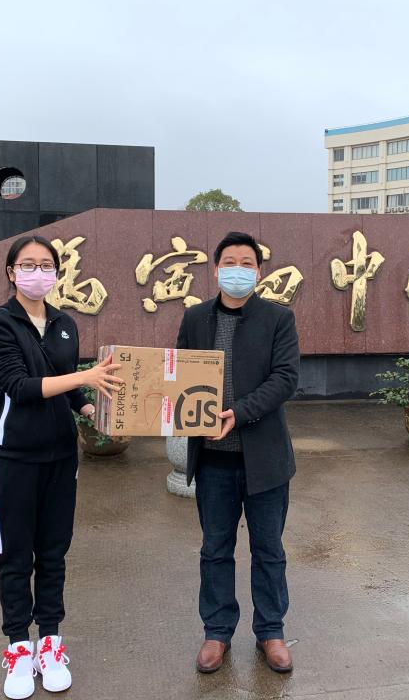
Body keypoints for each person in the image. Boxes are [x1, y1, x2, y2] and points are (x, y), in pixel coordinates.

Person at [0, 235, 123, 700]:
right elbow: (20, 387)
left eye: (45, 265)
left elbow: (68, 386)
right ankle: (18, 647)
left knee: (54, 554)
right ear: (11, 272)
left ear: (56, 273)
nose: (37, 273)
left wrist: (91, 409)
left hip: (62, 458)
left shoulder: (64, 323)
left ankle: (51, 643)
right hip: (15, 459)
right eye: (28, 265)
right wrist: (87, 376)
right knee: (16, 556)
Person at [176, 231, 301, 675]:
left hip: (264, 460)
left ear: (259, 272)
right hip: (213, 460)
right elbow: (179, 374)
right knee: (215, 549)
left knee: (268, 549)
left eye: (247, 263)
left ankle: (271, 631)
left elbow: (285, 378)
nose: (238, 270)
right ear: (215, 270)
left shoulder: (278, 318)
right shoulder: (195, 318)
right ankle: (217, 632)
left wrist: (240, 412)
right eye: (230, 262)